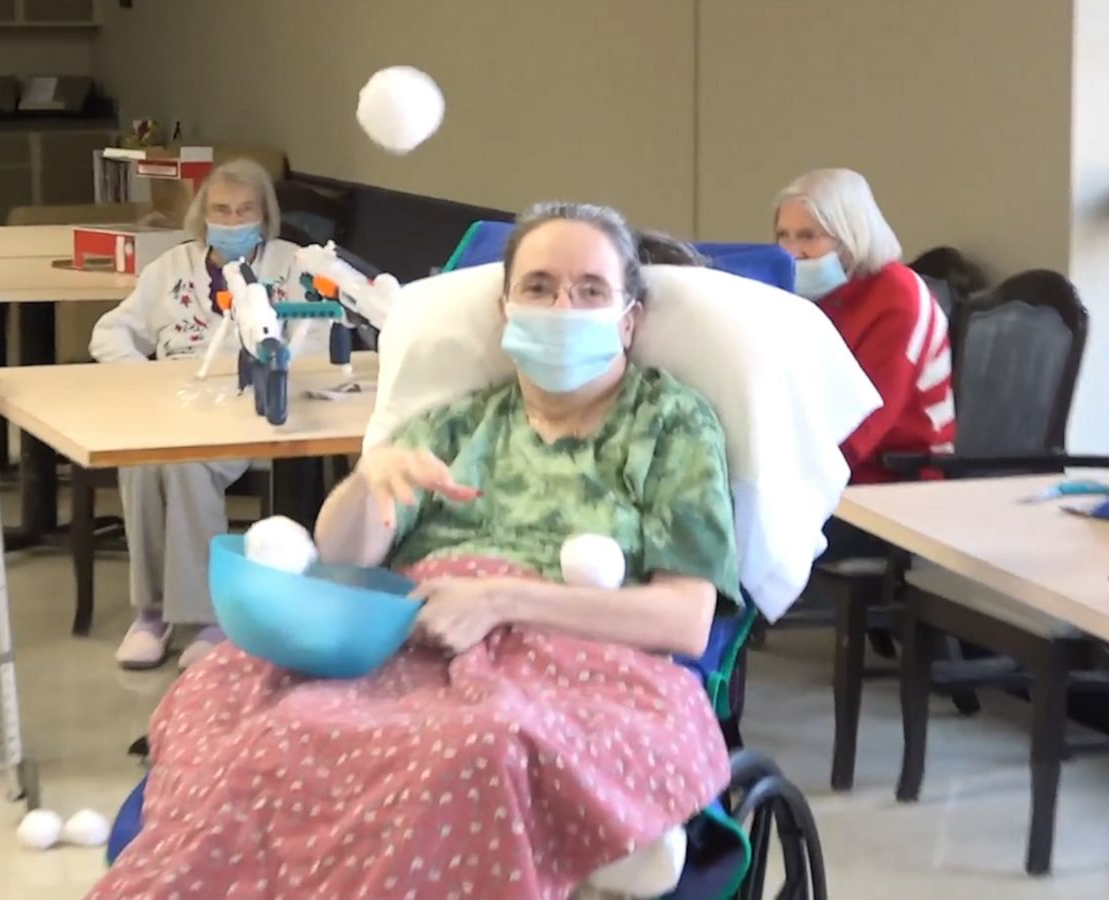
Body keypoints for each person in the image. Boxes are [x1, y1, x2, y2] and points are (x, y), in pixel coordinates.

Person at [90, 202, 737, 899]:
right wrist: (369, 485)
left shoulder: (670, 426)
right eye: (540, 287)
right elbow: (344, 561)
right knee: (258, 715)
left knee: (469, 748)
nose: (562, 306)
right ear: (505, 310)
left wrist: (501, 600)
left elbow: (685, 619)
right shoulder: (459, 423)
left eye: (590, 291)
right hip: (411, 639)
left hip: (573, 660)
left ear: (630, 319)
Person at [90, 157, 329, 670]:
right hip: (176, 402)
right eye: (222, 209)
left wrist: (276, 368)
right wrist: (144, 375)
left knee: (187, 462)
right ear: (204, 215)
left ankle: (205, 618)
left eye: (246, 210)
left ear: (265, 216)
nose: (234, 219)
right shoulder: (170, 269)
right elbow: (109, 333)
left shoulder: (293, 265)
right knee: (141, 459)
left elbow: (320, 339)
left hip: (252, 407)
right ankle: (149, 614)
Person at [774, 168, 954, 486]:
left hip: (898, 482)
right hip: (833, 472)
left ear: (849, 236)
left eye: (808, 236)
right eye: (783, 235)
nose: (791, 251)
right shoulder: (810, 294)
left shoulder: (900, 297)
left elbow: (862, 424)